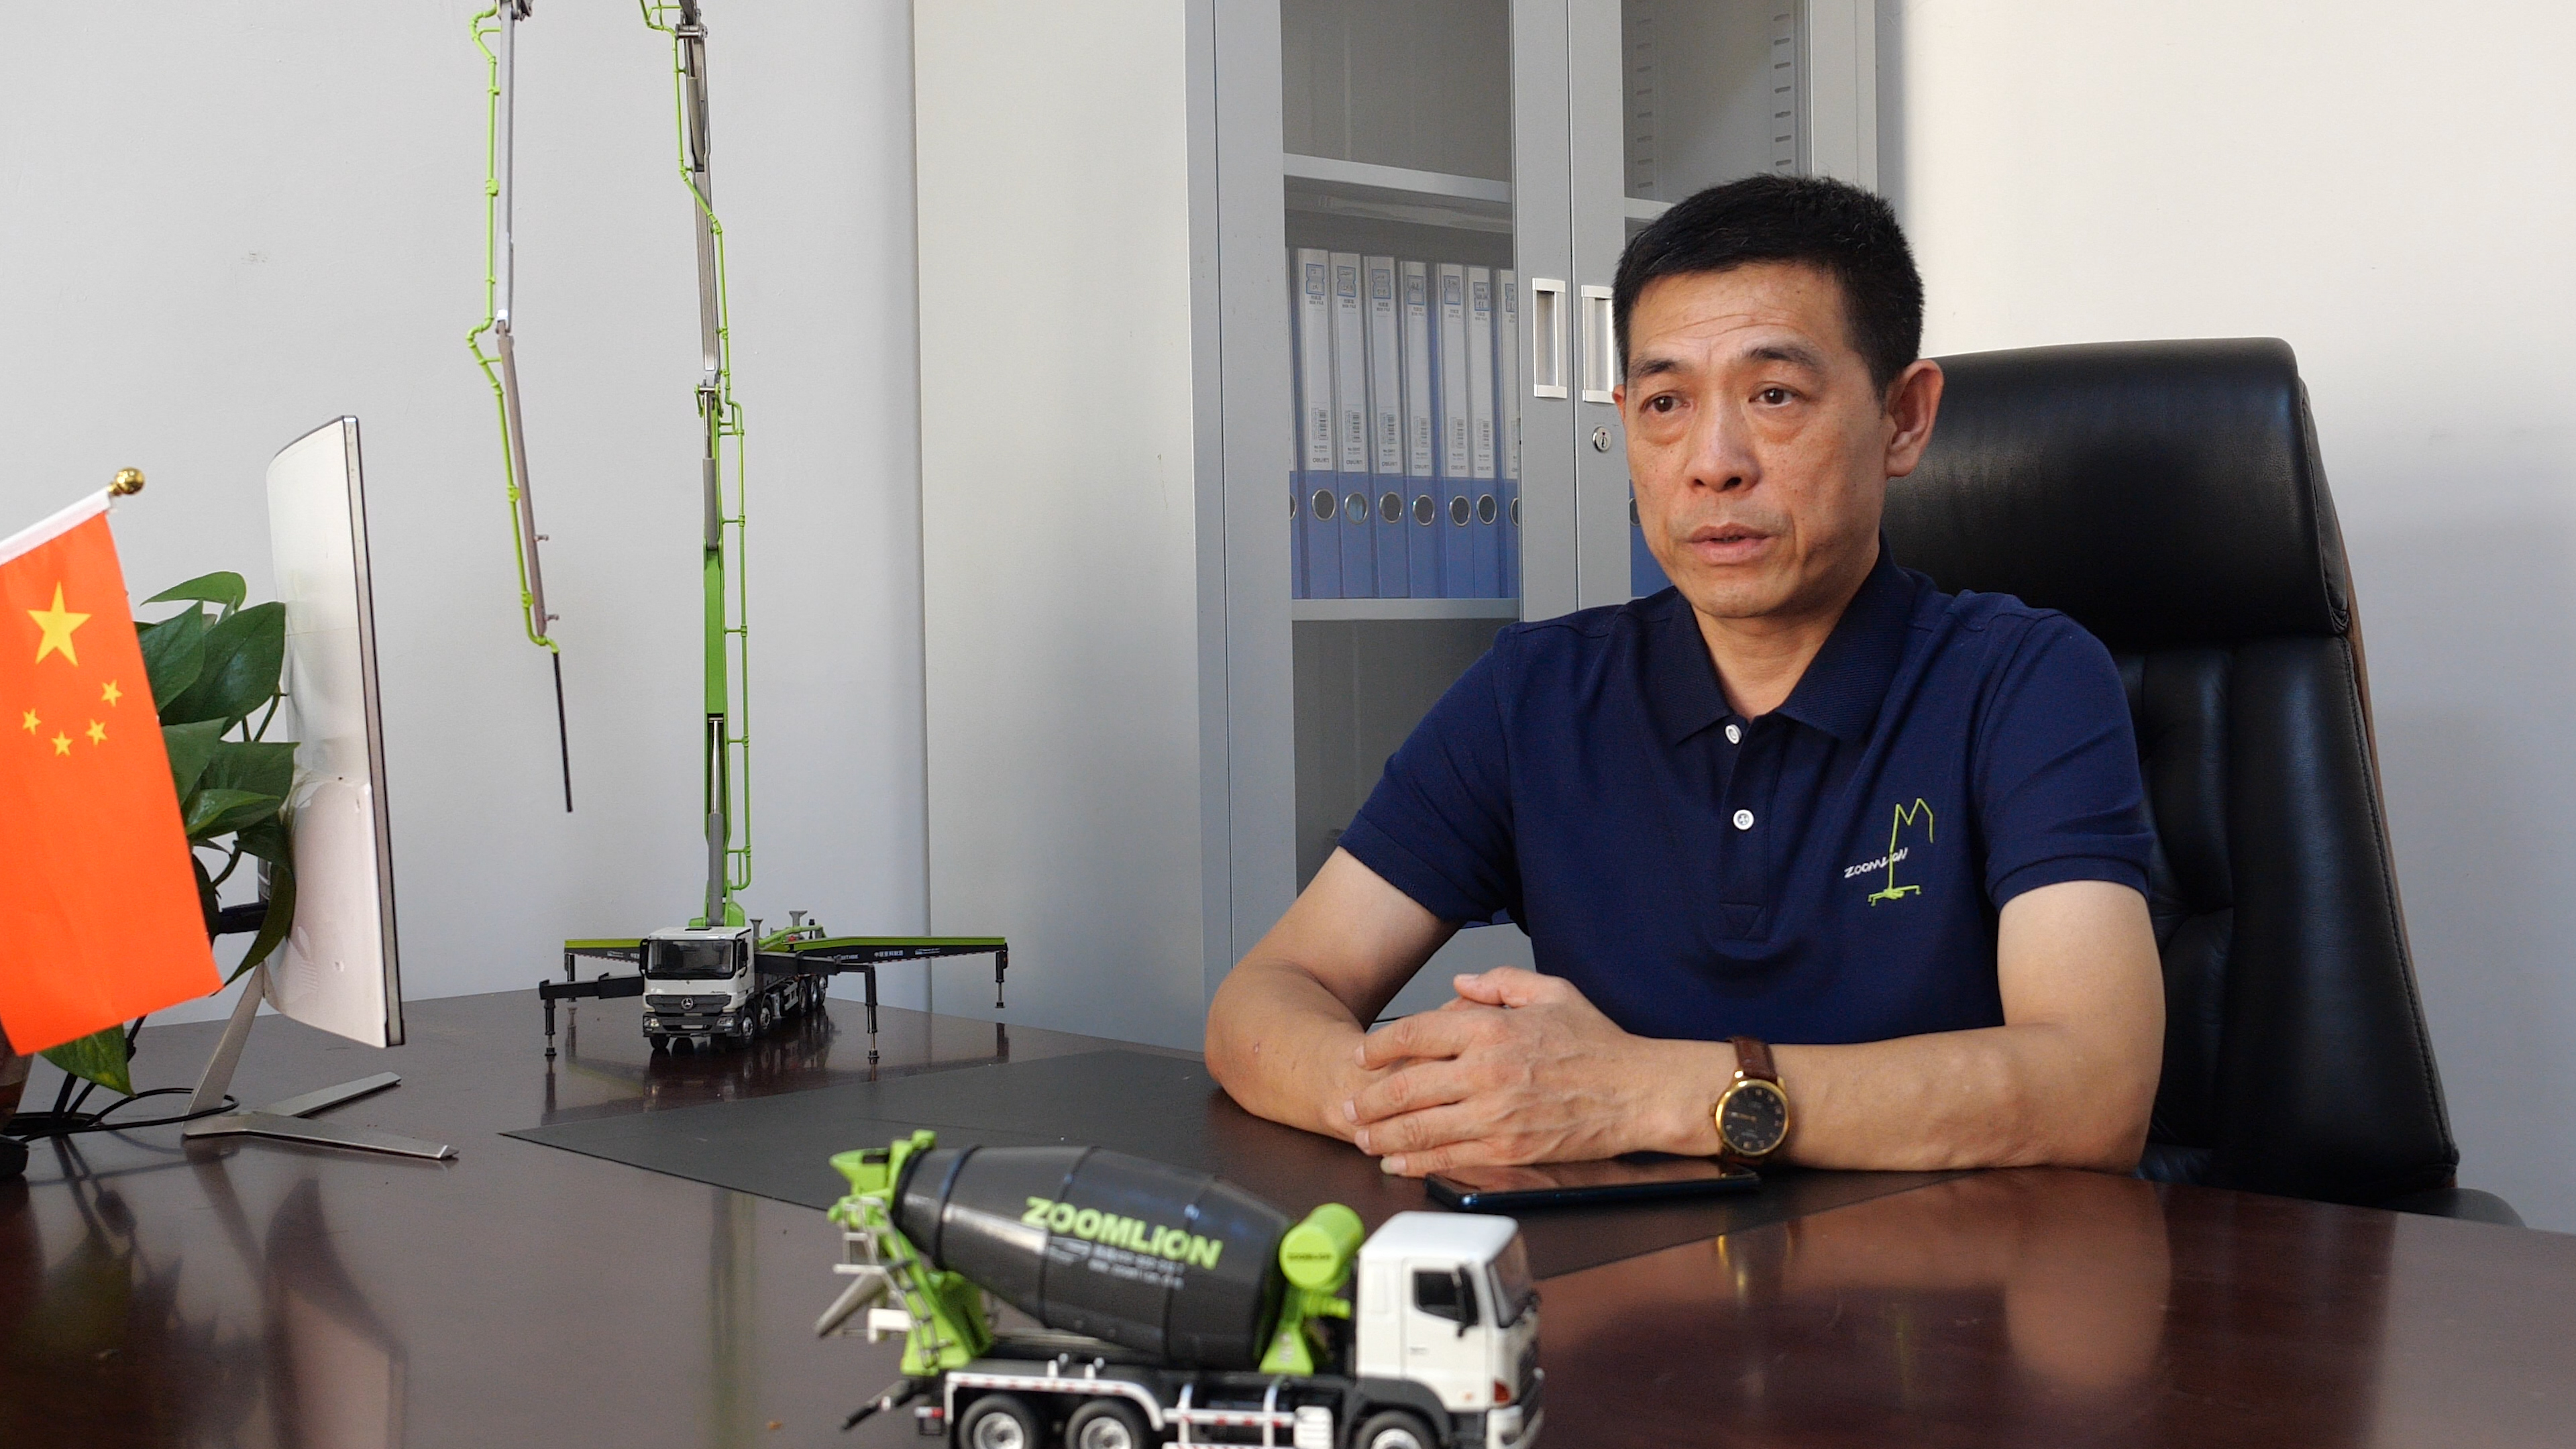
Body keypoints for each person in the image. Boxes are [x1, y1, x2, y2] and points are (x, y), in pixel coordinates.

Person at [1207, 174, 2163, 1178]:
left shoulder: (2023, 681)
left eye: (1774, 395)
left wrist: (1644, 1093)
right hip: (1619, 1267)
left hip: (1931, 1271)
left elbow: (2093, 1091)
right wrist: (1419, 1107)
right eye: (1666, 403)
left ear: (1905, 418)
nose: (1713, 463)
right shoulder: (1536, 693)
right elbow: (1264, 1000)